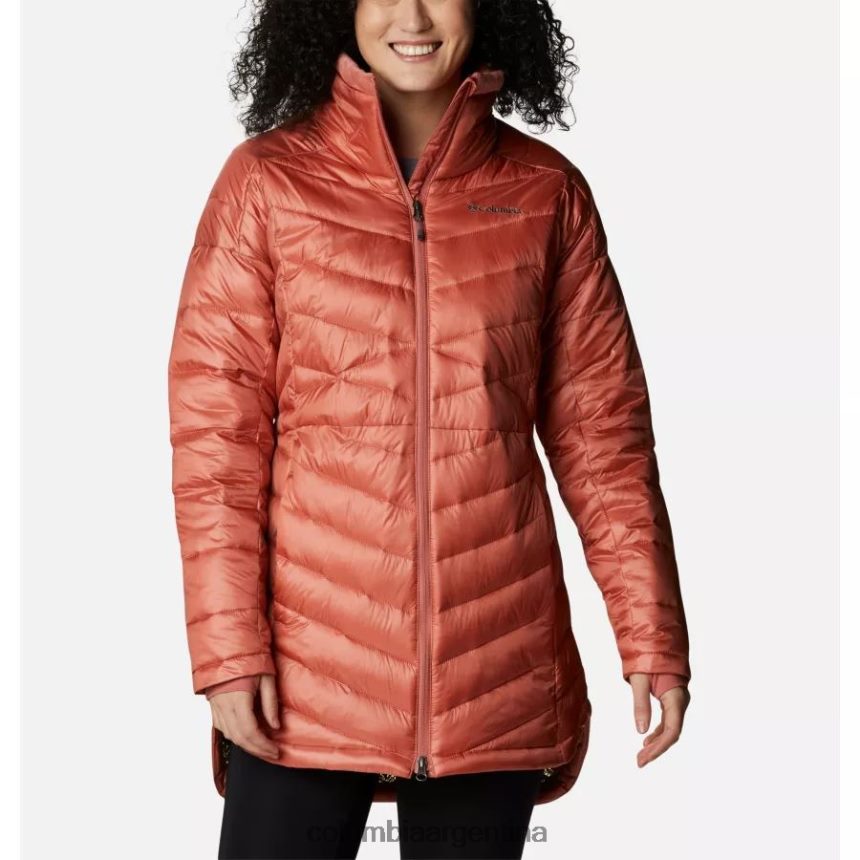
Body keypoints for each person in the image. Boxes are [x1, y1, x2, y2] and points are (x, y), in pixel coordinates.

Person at [167, 1, 692, 857]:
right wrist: (228, 653)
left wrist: (652, 634)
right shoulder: (266, 185)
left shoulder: (546, 193)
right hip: (305, 676)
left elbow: (604, 439)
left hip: (493, 671)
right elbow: (215, 448)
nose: (412, 15)